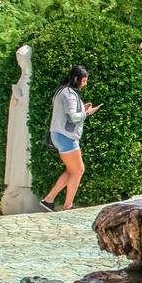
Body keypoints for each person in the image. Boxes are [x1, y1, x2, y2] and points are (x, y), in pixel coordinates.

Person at [41, 65, 96, 211]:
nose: (85, 84)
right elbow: (73, 117)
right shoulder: (70, 94)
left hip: (59, 135)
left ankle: (49, 200)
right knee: (78, 170)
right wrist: (88, 113)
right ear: (78, 79)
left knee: (72, 170)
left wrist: (82, 109)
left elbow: (67, 113)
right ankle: (68, 206)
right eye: (84, 81)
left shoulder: (62, 91)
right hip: (66, 136)